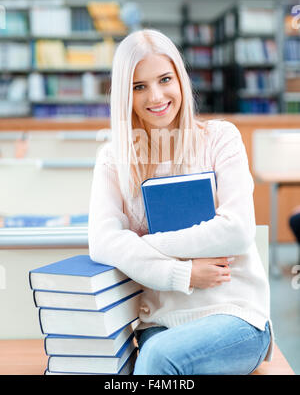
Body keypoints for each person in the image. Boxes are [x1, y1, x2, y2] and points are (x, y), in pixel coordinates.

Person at [88, 29, 273, 375]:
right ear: (123, 95)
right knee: (152, 356)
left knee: (157, 360)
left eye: (164, 79)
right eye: (139, 86)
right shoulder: (113, 159)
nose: (156, 96)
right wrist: (182, 273)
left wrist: (143, 244)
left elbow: (237, 230)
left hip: (235, 316)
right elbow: (102, 243)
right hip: (159, 322)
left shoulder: (220, 138)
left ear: (180, 80)